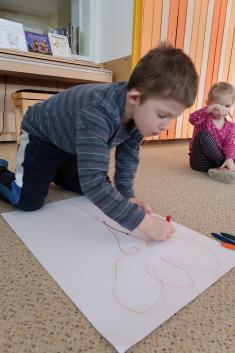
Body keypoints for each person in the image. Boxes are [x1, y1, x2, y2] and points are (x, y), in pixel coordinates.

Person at [0, 43, 198, 241]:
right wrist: (141, 222)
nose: (166, 125)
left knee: (91, 188)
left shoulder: (139, 115)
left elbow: (127, 159)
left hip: (72, 142)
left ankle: (55, 170)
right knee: (28, 201)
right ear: (135, 98)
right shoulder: (98, 112)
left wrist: (127, 197)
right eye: (162, 115)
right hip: (42, 135)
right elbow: (93, 182)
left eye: (172, 117)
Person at [189, 82, 235, 183]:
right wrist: (208, 109)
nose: (222, 110)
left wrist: (230, 158)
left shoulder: (230, 127)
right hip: (201, 161)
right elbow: (192, 119)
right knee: (202, 135)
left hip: (217, 161)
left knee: (231, 150)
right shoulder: (204, 117)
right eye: (218, 106)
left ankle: (225, 166)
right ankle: (225, 166)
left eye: (227, 106)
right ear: (208, 103)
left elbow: (229, 144)